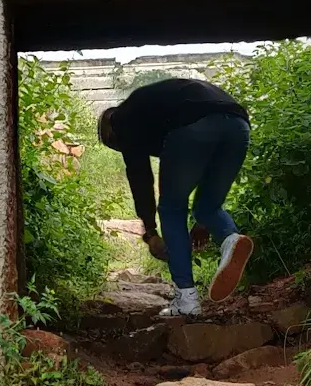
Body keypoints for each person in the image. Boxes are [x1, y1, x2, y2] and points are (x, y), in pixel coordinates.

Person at [98, 76, 254, 319]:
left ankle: (186, 298)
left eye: (114, 145)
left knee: (172, 209)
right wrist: (202, 223)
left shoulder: (123, 119)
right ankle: (230, 239)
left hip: (193, 125)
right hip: (238, 126)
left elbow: (140, 177)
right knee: (208, 207)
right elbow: (202, 163)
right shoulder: (153, 107)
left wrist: (150, 231)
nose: (120, 149)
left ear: (111, 130)